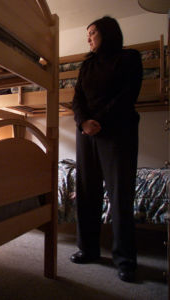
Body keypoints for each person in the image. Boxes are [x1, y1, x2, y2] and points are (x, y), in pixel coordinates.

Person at [70, 16, 143, 283]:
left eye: (92, 33)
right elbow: (76, 98)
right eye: (87, 34)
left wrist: (98, 121)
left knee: (120, 194)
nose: (88, 38)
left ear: (107, 33)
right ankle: (87, 249)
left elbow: (128, 95)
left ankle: (125, 259)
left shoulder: (129, 58)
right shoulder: (86, 65)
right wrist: (83, 122)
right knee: (87, 191)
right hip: (87, 133)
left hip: (118, 132)